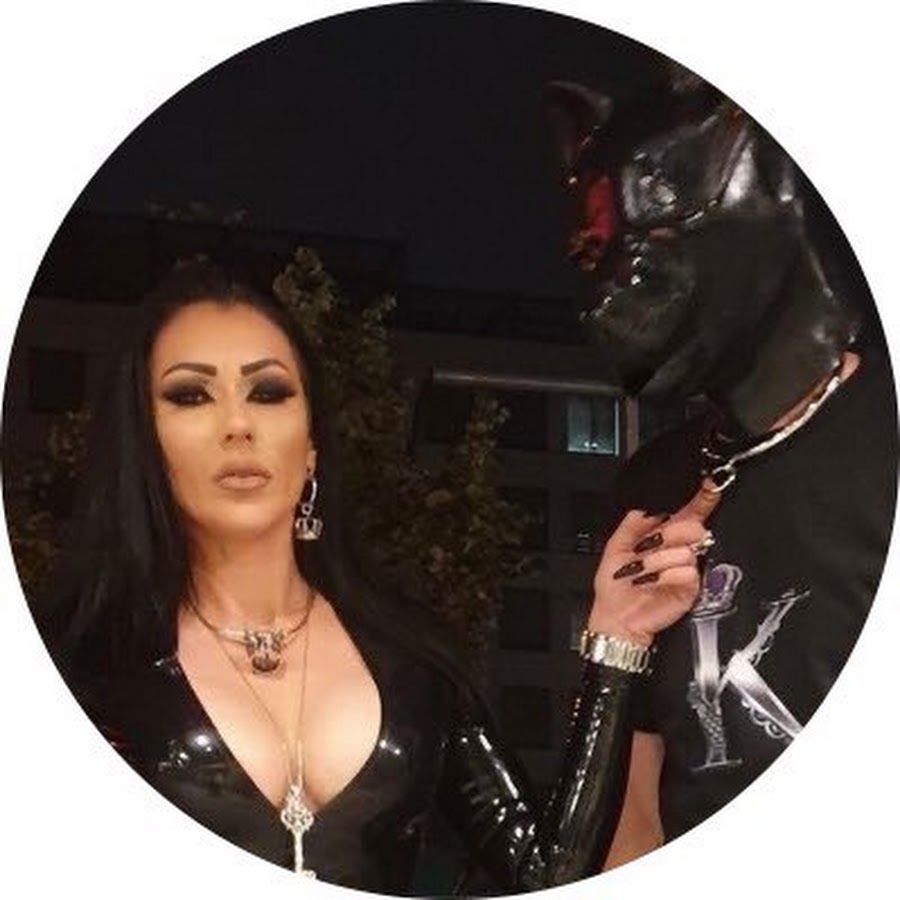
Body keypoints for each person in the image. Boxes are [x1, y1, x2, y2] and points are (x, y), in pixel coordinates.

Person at [29, 261, 714, 895]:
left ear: (311, 446)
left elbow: (547, 870)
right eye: (191, 395)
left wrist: (616, 639)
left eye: (268, 392)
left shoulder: (412, 661)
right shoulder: (79, 662)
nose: (237, 424)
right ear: (144, 440)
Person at [542, 67, 898, 868]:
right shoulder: (651, 489)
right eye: (593, 254)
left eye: (649, 235)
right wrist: (612, 647)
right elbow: (633, 809)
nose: (606, 295)